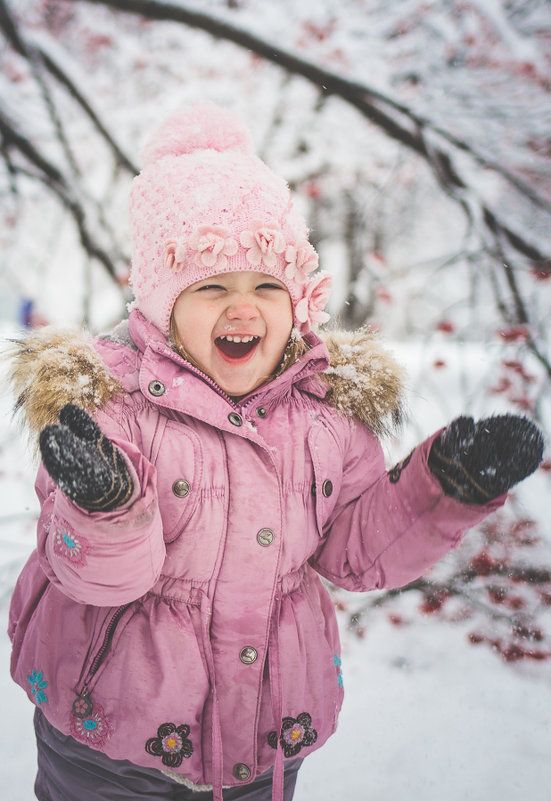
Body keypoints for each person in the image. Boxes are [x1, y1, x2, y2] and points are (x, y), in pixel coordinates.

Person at [7, 103, 543, 801]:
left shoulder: (324, 419)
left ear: (298, 301)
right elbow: (99, 580)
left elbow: (354, 550)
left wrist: (441, 489)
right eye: (210, 287)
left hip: (262, 740)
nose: (243, 306)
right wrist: (106, 507)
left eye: (267, 285)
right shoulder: (109, 410)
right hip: (108, 739)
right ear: (161, 307)